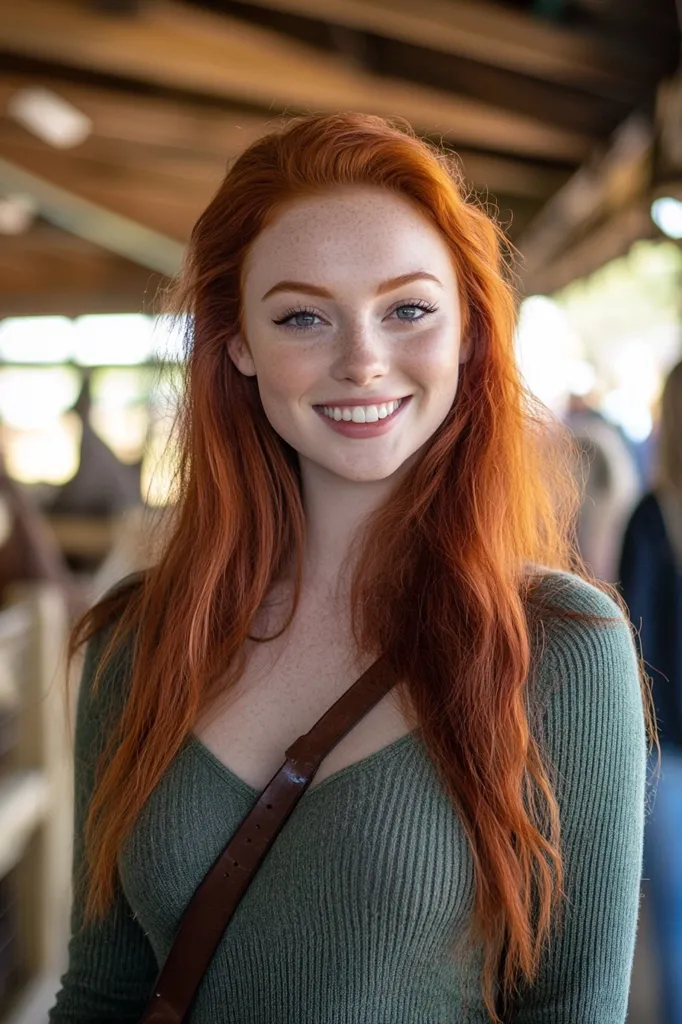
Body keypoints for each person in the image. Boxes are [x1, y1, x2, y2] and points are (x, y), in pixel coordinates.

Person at [49, 113, 652, 1024]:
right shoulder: (139, 639)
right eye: (302, 316)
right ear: (238, 343)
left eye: (408, 309)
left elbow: (573, 1009)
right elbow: (101, 995)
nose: (363, 361)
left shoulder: (559, 648)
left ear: (467, 334)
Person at [619, 358, 682, 1024]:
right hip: (668, 756)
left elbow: (634, 641)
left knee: (673, 923)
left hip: (668, 752)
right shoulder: (651, 513)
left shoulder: (653, 514)